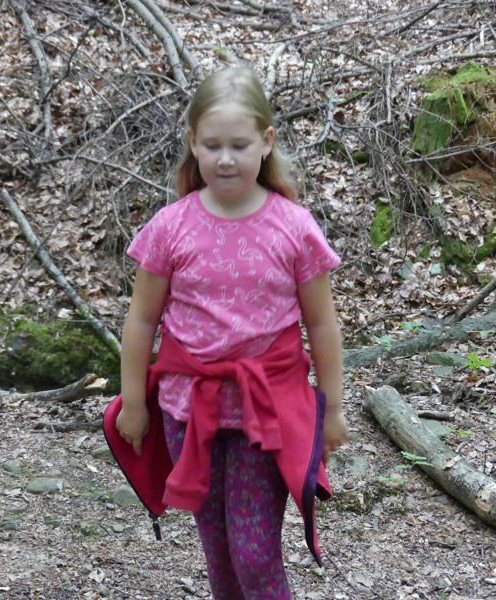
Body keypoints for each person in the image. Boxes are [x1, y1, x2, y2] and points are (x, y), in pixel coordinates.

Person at [109, 64, 348, 599]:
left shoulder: (294, 227)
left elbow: (322, 324)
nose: (225, 159)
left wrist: (331, 409)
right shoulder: (170, 228)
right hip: (187, 410)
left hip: (267, 412)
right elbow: (142, 320)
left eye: (239, 145)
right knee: (218, 552)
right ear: (193, 142)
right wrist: (134, 402)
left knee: (255, 554)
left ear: (266, 142)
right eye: (212, 145)